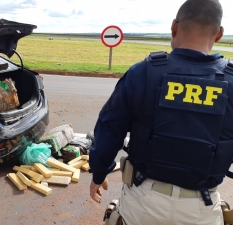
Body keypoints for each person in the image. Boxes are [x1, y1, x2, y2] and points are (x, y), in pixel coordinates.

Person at [88, 0, 233, 224]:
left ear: (174, 27)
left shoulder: (143, 72)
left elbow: (109, 128)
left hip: (143, 203)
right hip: (201, 208)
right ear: (219, 34)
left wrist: (99, 173)